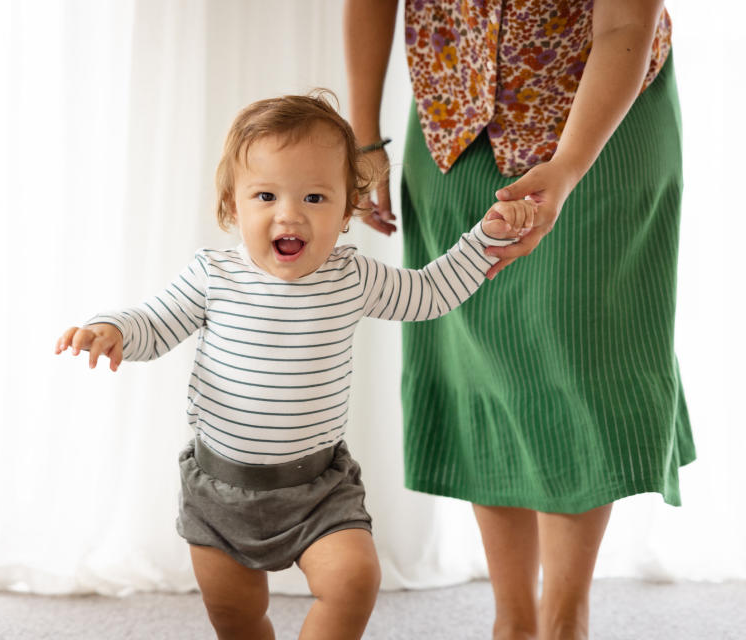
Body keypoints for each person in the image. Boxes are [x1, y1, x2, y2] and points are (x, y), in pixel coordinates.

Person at [54, 91, 533, 640]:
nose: (290, 214)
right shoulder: (215, 276)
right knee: (236, 617)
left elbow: (429, 293)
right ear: (233, 207)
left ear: (346, 208)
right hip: (220, 491)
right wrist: (111, 329)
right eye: (265, 195)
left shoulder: (352, 277)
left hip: (319, 489)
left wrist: (487, 239)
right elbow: (153, 323)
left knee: (354, 579)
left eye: (314, 196)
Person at [344, 1, 695, 638]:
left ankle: (565, 621)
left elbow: (623, 25)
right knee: (481, 361)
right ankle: (513, 622)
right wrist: (364, 136)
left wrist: (565, 168)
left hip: (600, 121)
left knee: (585, 362)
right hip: (456, 124)